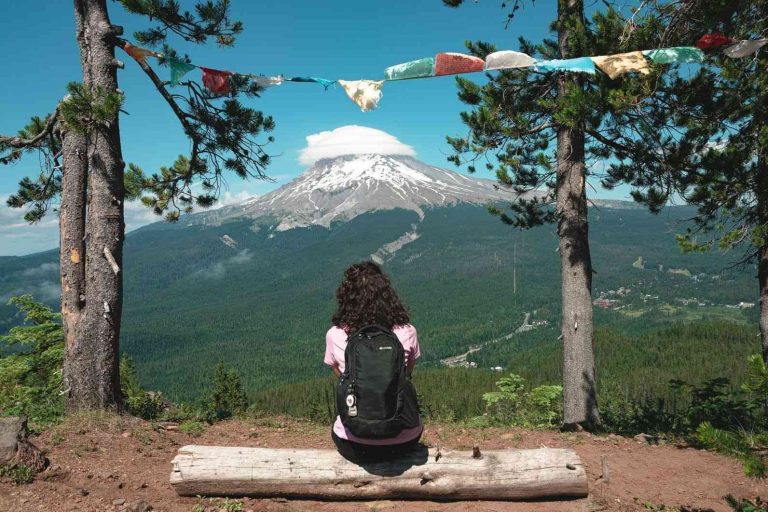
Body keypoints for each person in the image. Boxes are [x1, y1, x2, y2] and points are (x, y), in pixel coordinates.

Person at [324, 261, 423, 462]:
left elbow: (341, 375)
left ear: (346, 297)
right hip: (403, 443)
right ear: (387, 295)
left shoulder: (335, 334)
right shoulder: (407, 331)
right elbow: (406, 374)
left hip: (353, 444)